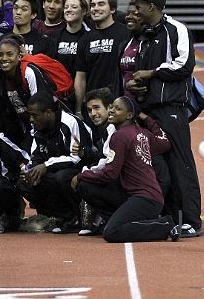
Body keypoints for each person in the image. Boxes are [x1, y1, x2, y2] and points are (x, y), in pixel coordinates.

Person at [127, 0, 201, 238]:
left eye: (138, 4)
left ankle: (192, 220)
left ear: (151, 6)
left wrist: (151, 73)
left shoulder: (176, 29)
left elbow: (184, 64)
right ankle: (171, 217)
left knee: (181, 164)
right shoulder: (145, 36)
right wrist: (137, 86)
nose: (135, 9)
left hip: (171, 108)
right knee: (158, 166)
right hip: (150, 109)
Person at [72, 96, 179, 243]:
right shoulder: (143, 133)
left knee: (112, 233)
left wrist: (81, 176)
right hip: (147, 196)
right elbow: (164, 142)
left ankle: (164, 225)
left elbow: (110, 174)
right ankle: (119, 220)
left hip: (144, 198)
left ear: (129, 115)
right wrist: (148, 119)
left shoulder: (119, 136)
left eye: (118, 109)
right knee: (87, 187)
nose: (111, 111)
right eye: (112, 107)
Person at [17, 91, 91, 233]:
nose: (31, 119)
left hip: (80, 170)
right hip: (54, 171)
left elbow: (77, 158)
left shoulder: (70, 123)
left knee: (62, 177)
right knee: (24, 183)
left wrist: (46, 165)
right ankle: (57, 217)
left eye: (34, 115)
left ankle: (78, 214)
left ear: (49, 112)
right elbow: (37, 154)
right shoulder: (38, 127)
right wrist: (30, 169)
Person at [0, 35, 55, 147]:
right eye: (0, 54)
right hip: (24, 127)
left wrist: (36, 136)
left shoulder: (29, 72)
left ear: (19, 56)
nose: (4, 58)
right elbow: (3, 110)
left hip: (46, 126)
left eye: (9, 54)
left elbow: (42, 104)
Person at [74, 0, 129, 114]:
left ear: (112, 9)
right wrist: (78, 110)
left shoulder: (126, 33)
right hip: (93, 107)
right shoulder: (84, 39)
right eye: (93, 5)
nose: (95, 8)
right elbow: (80, 77)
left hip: (119, 102)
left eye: (101, 4)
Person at [0, 0, 55, 76]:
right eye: (15, 8)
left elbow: (50, 73)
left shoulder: (45, 43)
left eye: (24, 9)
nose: (18, 12)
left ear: (33, 15)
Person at [49, 0, 90, 93]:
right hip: (60, 90)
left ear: (84, 11)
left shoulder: (89, 37)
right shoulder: (54, 36)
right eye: (66, 7)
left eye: (74, 7)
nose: (69, 10)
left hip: (84, 89)